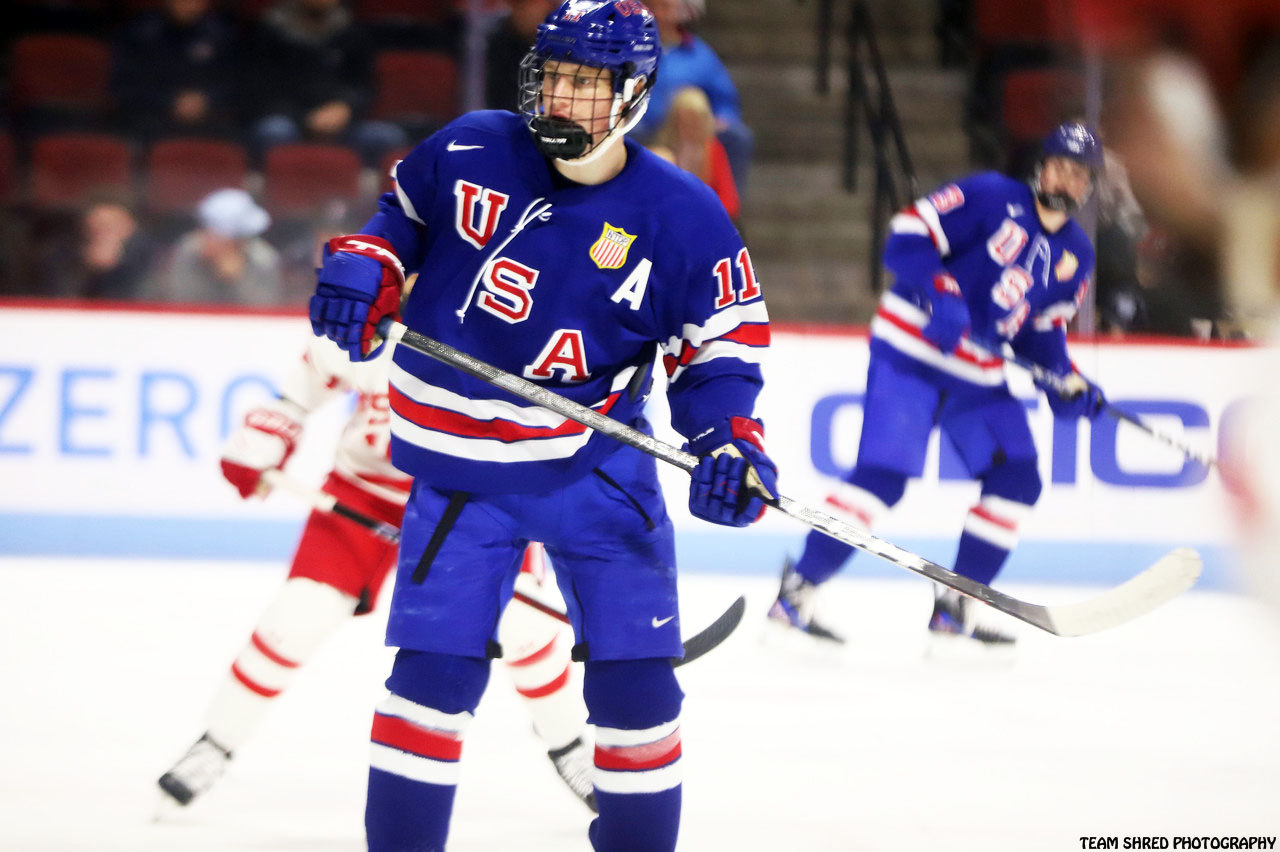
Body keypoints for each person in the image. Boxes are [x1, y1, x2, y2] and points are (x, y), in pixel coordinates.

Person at [306, 2, 775, 849]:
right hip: (460, 470)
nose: (559, 97)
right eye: (552, 74)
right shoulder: (470, 147)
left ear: (633, 94)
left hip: (598, 470)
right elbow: (398, 223)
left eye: (585, 83)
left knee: (638, 698)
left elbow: (719, 348)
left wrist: (729, 440)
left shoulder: (683, 214)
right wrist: (366, 265)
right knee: (429, 686)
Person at [157, 330, 596, 812]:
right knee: (297, 617)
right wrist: (267, 435)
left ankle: (568, 742)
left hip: (474, 498)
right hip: (364, 492)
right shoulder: (373, 315)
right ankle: (216, 742)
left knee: (523, 628)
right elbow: (307, 381)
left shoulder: (495, 319)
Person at [768, 122, 1107, 649]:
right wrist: (941, 290)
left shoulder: (1077, 256)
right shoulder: (991, 195)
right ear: (1041, 167)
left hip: (978, 375)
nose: (1067, 179)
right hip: (913, 351)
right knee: (882, 477)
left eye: (1079, 174)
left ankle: (956, 606)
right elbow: (907, 235)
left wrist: (1065, 381)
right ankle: (797, 593)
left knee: (1017, 479)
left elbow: (1040, 334)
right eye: (1060, 166)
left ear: (1089, 186)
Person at [249, 0, 408, 166]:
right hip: (289, 119)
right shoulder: (270, 32)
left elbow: (365, 85)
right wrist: (305, 118)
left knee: (385, 137)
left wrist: (345, 106)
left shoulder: (352, 33)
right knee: (273, 131)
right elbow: (258, 90)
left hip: (343, 123)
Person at [632, 0, 753, 190]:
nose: (663, 15)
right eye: (658, 8)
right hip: (642, 124)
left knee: (734, 134)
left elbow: (725, 98)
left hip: (689, 125)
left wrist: (724, 116)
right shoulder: (630, 48)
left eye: (669, 8)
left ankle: (726, 201)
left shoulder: (701, 54)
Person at [111, 0, 242, 140]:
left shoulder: (221, 34)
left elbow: (234, 82)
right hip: (152, 115)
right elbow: (125, 84)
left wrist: (208, 100)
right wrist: (169, 101)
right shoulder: (141, 32)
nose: (189, 4)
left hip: (209, 115)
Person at [155, 188, 285, 305]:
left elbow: (267, 308)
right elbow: (180, 304)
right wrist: (209, 266)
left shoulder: (264, 258)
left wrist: (237, 279)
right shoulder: (189, 251)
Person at [648, 85, 741, 220]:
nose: (689, 127)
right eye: (683, 121)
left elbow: (729, 202)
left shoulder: (713, 149)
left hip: (704, 216)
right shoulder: (662, 151)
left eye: (695, 121)